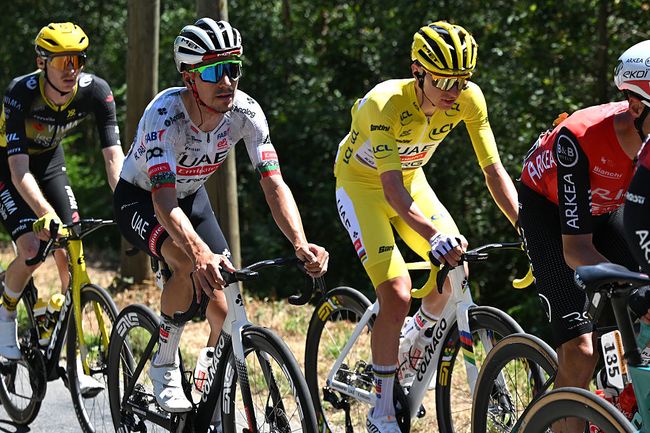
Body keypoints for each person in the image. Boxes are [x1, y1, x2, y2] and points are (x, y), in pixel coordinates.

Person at [113, 18, 329, 413]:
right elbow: (163, 202)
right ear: (189, 77)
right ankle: (163, 362)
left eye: (233, 68)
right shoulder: (165, 115)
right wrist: (198, 253)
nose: (227, 81)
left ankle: (209, 378)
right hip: (141, 199)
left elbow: (273, 184)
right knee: (184, 263)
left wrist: (300, 242)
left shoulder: (246, 111)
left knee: (225, 305)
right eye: (214, 71)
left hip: (191, 197)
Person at [333, 21, 518, 432]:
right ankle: (381, 410)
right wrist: (435, 237)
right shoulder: (384, 103)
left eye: (461, 80)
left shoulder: (468, 99)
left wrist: (524, 225)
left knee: (457, 271)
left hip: (411, 181)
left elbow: (493, 170)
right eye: (443, 80)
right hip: (363, 187)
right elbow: (392, 191)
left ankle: (412, 337)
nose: (454, 91)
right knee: (397, 292)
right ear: (417, 71)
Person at [518, 40, 650, 433]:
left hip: (607, 209)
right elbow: (576, 248)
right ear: (636, 107)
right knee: (580, 350)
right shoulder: (580, 137)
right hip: (549, 213)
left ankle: (623, 401)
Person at [0, 22, 123, 365]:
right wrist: (45, 212)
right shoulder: (21, 92)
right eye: (61, 61)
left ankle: (71, 347)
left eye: (77, 60)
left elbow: (114, 158)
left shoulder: (96, 92)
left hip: (50, 160)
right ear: (42, 62)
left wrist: (127, 202)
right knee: (31, 249)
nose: (71, 69)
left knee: (72, 248)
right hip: (9, 165)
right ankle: (5, 313)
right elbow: (18, 170)